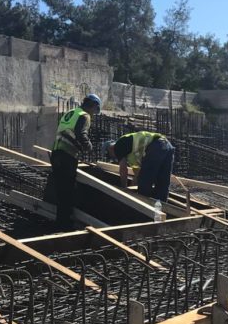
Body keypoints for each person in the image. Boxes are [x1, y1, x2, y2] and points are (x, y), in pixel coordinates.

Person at [50, 94, 101, 228]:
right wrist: (89, 147)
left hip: (56, 153)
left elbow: (67, 132)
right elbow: (80, 134)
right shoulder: (84, 115)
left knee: (61, 191)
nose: (94, 114)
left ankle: (60, 222)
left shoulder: (71, 113)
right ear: (93, 106)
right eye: (95, 110)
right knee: (68, 191)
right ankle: (65, 225)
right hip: (67, 156)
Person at [104, 131, 174, 202]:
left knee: (145, 182)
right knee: (162, 184)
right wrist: (131, 188)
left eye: (110, 155)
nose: (113, 158)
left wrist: (123, 189)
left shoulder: (118, 146)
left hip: (156, 146)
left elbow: (123, 170)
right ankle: (160, 207)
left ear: (110, 148)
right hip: (167, 146)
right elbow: (137, 175)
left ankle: (144, 205)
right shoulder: (131, 154)